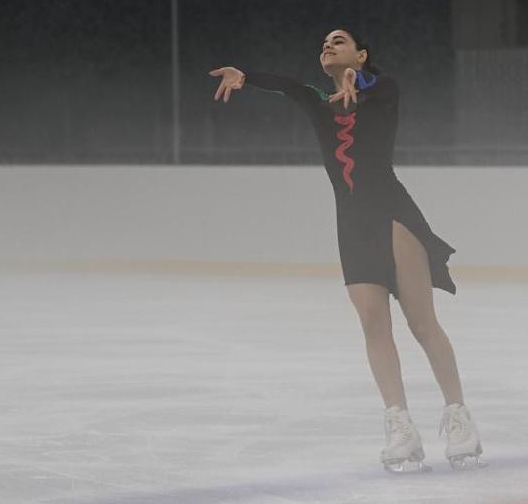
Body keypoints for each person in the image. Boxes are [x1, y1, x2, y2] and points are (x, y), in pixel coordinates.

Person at [208, 29, 486, 473]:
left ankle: (459, 418)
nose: (328, 44)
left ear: (361, 55)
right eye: (324, 42)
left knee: (421, 323)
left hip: (393, 216)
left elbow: (375, 88)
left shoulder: (384, 90)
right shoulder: (318, 99)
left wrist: (361, 84)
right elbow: (290, 87)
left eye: (339, 41)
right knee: (374, 325)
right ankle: (400, 425)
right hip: (352, 226)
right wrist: (246, 77)